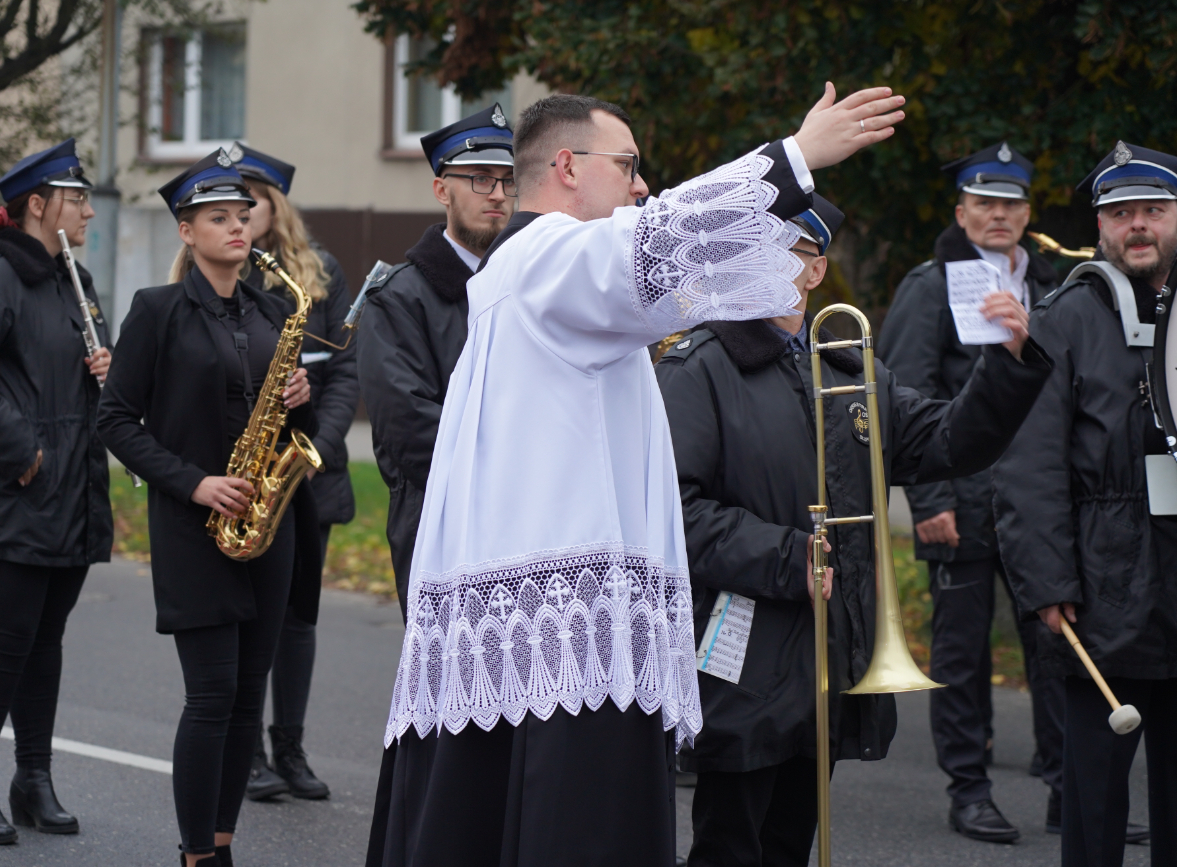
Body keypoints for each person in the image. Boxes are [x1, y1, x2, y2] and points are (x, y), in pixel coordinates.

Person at [364, 85, 909, 867]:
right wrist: (794, 158)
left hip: (544, 613)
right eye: (627, 164)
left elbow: (661, 263)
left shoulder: (538, 275)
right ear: (565, 164)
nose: (641, 184)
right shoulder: (546, 255)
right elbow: (659, 240)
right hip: (563, 622)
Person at [655, 194, 1050, 866]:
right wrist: (789, 556)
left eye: (787, 252)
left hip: (829, 647)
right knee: (730, 843)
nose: (764, 264)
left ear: (815, 272)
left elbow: (949, 441)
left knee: (789, 840)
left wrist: (1006, 366)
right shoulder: (699, 367)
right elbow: (674, 512)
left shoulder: (849, 370)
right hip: (740, 645)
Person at [96, 150, 318, 867]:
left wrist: (293, 403)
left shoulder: (273, 310)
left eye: (242, 215)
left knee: (249, 697)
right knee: (212, 694)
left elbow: (265, 409)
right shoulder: (156, 311)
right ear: (186, 231)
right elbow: (115, 419)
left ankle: (222, 845)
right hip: (196, 523)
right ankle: (196, 852)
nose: (237, 227)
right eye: (217, 217)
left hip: (265, 524)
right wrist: (193, 483)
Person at [993, 140, 1177, 867]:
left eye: (1154, 211)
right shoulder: (1062, 317)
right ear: (1100, 225)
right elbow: (1028, 463)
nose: (1138, 225)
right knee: (1094, 802)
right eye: (1122, 213)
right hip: (1099, 593)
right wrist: (1048, 586)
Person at [877, 142, 1064, 843]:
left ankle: (1064, 783)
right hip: (963, 497)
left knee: (1053, 642)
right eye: (984, 202)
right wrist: (929, 502)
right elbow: (906, 396)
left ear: (1027, 212)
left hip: (1040, 500)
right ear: (961, 211)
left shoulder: (1051, 285)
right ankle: (969, 789)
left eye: (1011, 203)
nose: (998, 214)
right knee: (961, 651)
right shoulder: (932, 284)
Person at [0, 139, 111, 845]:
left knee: (45, 639)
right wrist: (23, 455)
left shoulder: (73, 280)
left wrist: (109, 367)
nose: (87, 212)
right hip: (16, 487)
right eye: (77, 199)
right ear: (37, 206)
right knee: (8, 636)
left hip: (70, 489)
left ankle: (33, 779)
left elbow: (76, 377)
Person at [218, 144, 353, 803]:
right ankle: (244, 753)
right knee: (250, 614)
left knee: (300, 616)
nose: (243, 214)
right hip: (244, 470)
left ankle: (290, 747)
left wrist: (319, 446)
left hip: (303, 469)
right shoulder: (219, 269)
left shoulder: (318, 273)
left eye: (254, 202)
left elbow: (346, 373)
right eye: (233, 204)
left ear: (277, 206)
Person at [357, 103, 515, 619]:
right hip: (445, 523)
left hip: (530, 526)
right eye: (479, 179)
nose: (497, 194)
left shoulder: (528, 285)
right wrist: (516, 469)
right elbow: (408, 427)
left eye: (508, 181)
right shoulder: (400, 296)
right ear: (441, 190)